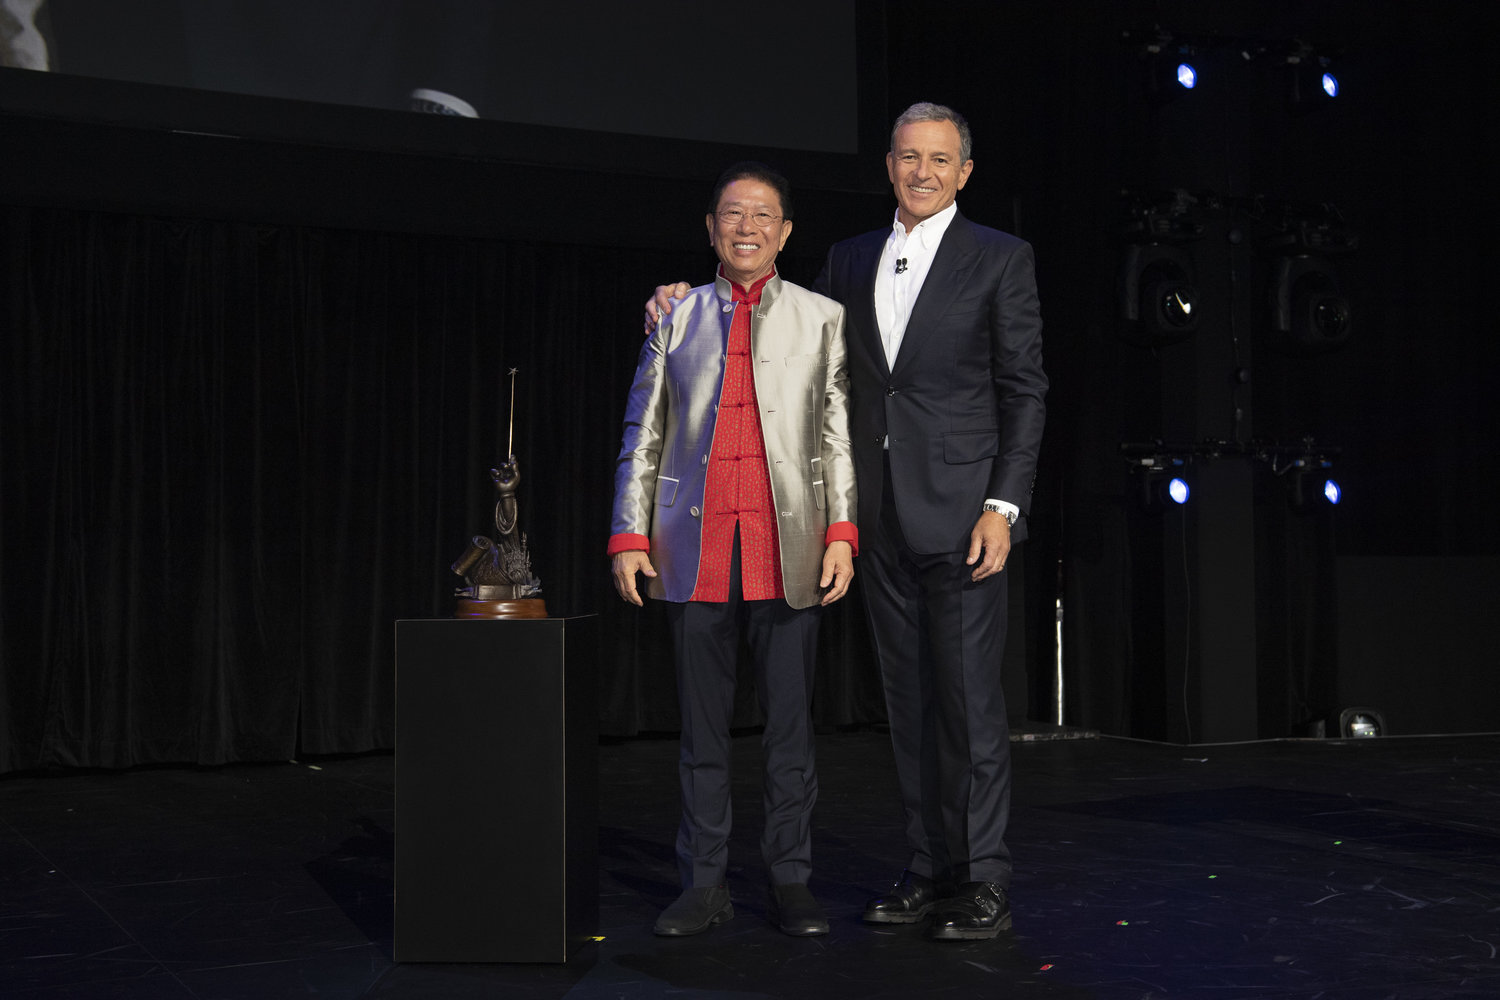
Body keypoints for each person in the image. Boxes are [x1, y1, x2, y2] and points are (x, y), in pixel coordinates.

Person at [646, 103, 1047, 941]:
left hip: (966, 517)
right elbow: (789, 342)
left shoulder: (1001, 258)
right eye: (908, 157)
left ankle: (983, 879)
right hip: (877, 516)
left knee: (970, 706)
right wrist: (680, 294)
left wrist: (1003, 506)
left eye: (940, 159)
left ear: (965, 173)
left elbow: (1024, 390)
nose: (923, 172)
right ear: (890, 165)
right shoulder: (850, 258)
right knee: (908, 704)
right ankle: (929, 867)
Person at [610, 161, 857, 938]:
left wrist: (842, 532)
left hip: (790, 547)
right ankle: (704, 881)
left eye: (762, 215)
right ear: (712, 229)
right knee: (702, 735)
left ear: (784, 232)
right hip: (694, 548)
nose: (746, 227)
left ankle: (790, 878)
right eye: (732, 214)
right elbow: (642, 435)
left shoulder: (822, 317)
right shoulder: (675, 317)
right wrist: (628, 535)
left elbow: (836, 438)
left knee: (790, 732)